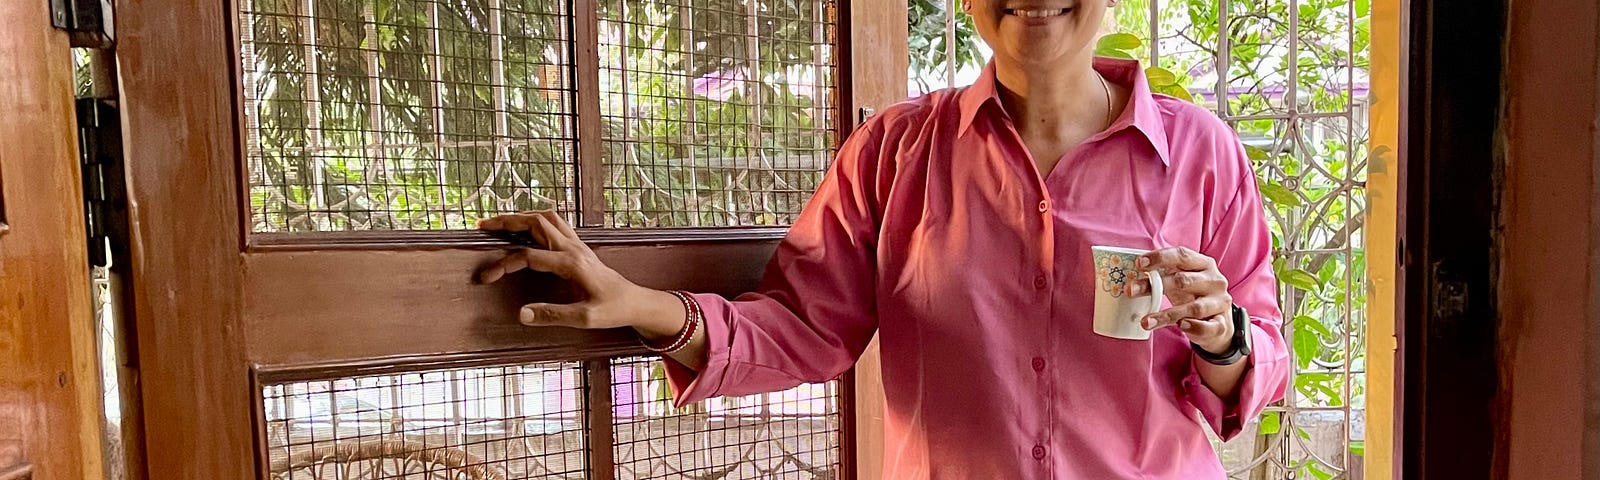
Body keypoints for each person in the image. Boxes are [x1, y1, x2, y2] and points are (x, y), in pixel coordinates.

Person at [475, 0, 1288, 477]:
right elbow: (804, 328)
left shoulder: (1200, 154)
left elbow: (1262, 362)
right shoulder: (895, 153)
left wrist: (1224, 338)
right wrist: (648, 306)